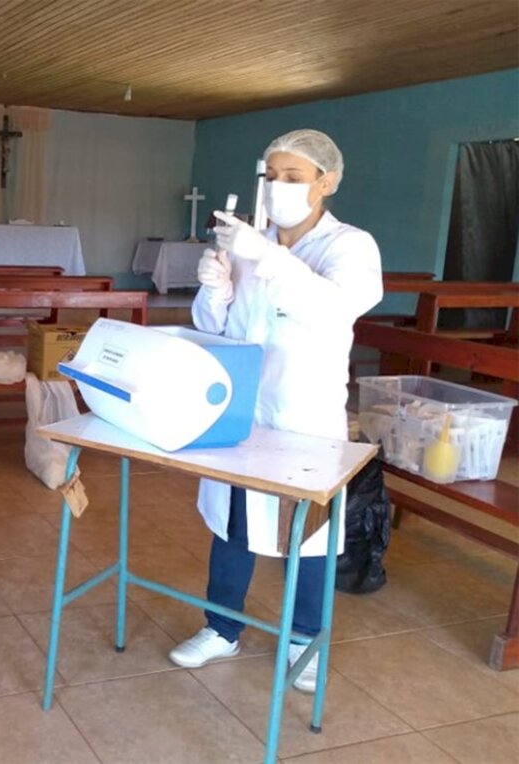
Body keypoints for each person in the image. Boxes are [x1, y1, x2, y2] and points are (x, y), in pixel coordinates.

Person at [169, 129, 383, 691]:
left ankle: (303, 640)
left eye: (294, 178)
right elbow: (216, 329)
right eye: (272, 177)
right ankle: (222, 626)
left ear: (326, 182)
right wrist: (215, 289)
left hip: (304, 412)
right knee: (234, 520)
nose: (279, 188)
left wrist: (264, 257)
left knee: (305, 533)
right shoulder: (250, 242)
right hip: (244, 408)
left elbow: (336, 309)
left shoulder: (350, 247)